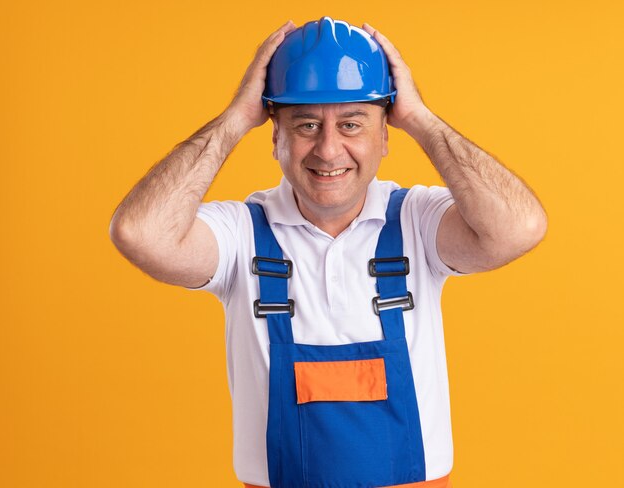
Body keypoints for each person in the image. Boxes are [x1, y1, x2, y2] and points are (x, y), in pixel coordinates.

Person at [109, 16, 547, 488]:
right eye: (307, 124)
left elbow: (518, 227)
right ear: (275, 135)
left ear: (385, 135)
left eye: (352, 124)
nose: (329, 148)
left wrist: (422, 120)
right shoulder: (240, 235)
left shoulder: (418, 222)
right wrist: (235, 118)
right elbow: (140, 233)